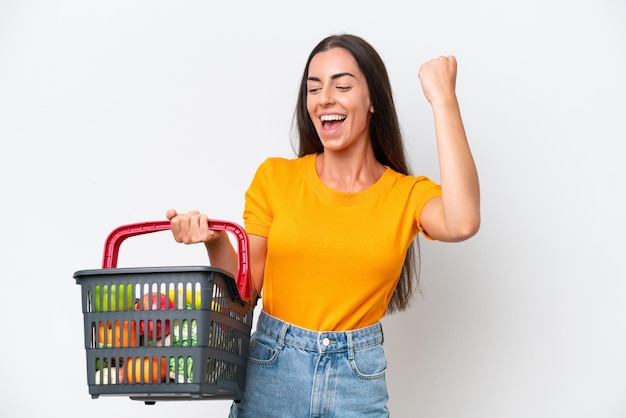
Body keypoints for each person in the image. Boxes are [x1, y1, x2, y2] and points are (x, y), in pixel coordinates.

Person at [166, 33, 480, 418]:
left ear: (372, 102)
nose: (324, 98)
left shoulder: (405, 195)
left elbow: (463, 220)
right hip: (272, 371)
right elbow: (243, 293)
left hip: (356, 381)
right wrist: (214, 242)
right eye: (314, 89)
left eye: (342, 85)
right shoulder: (276, 178)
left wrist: (443, 99)